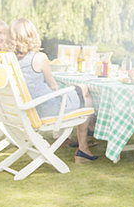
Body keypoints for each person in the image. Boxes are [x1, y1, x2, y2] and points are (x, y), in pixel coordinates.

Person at [5, 18, 98, 162]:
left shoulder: (10, 61)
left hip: (27, 110)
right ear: (32, 35)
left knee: (77, 91)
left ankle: (67, 138)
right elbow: (53, 86)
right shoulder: (39, 58)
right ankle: (83, 147)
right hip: (46, 109)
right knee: (84, 90)